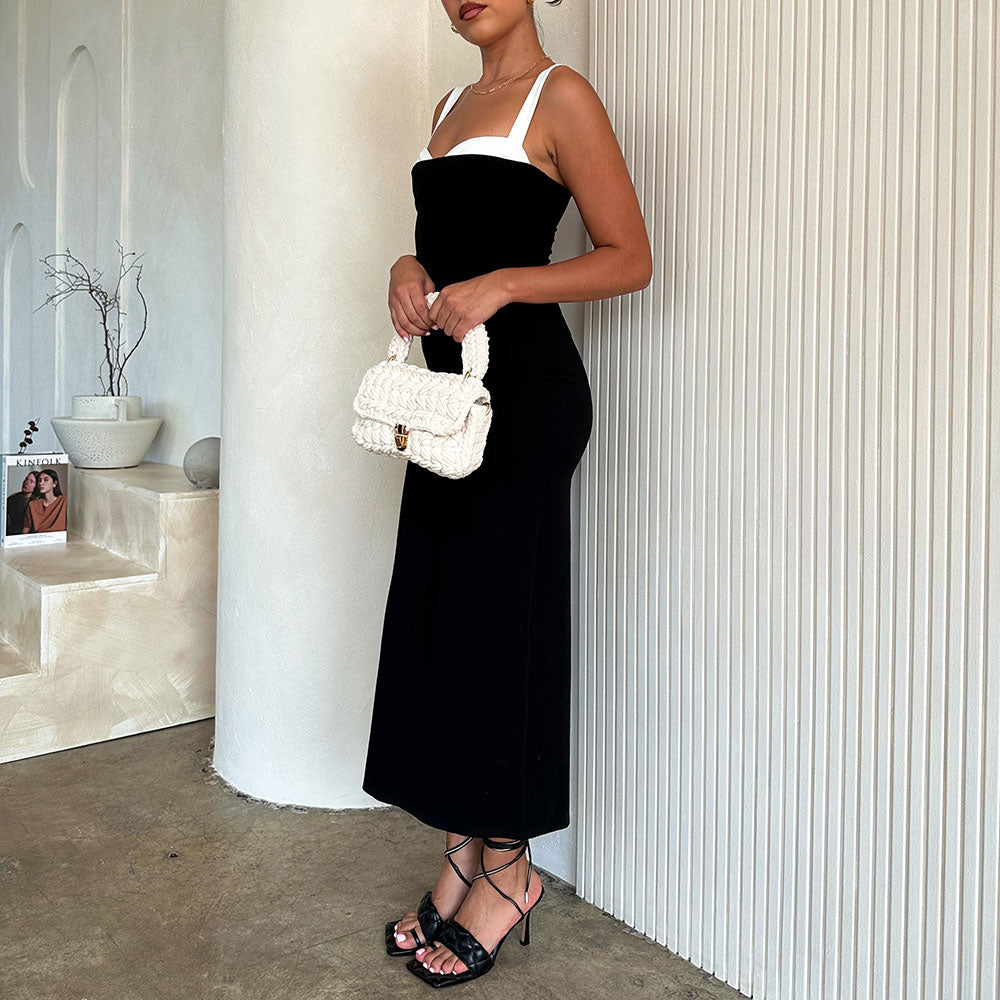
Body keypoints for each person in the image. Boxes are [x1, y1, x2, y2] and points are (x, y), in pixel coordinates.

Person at [361, 0, 652, 987]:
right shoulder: (448, 106)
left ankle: (510, 867)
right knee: (445, 621)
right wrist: (409, 266)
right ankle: (461, 853)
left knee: (499, 628)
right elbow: (444, 246)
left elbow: (630, 257)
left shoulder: (558, 96)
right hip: (446, 402)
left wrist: (505, 285)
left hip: (522, 401)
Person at [21, 468, 66, 533]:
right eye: (39, 480)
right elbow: (26, 527)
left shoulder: (64, 501)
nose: (41, 483)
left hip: (58, 539)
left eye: (46, 480)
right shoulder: (32, 505)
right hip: (38, 539)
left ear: (54, 483)